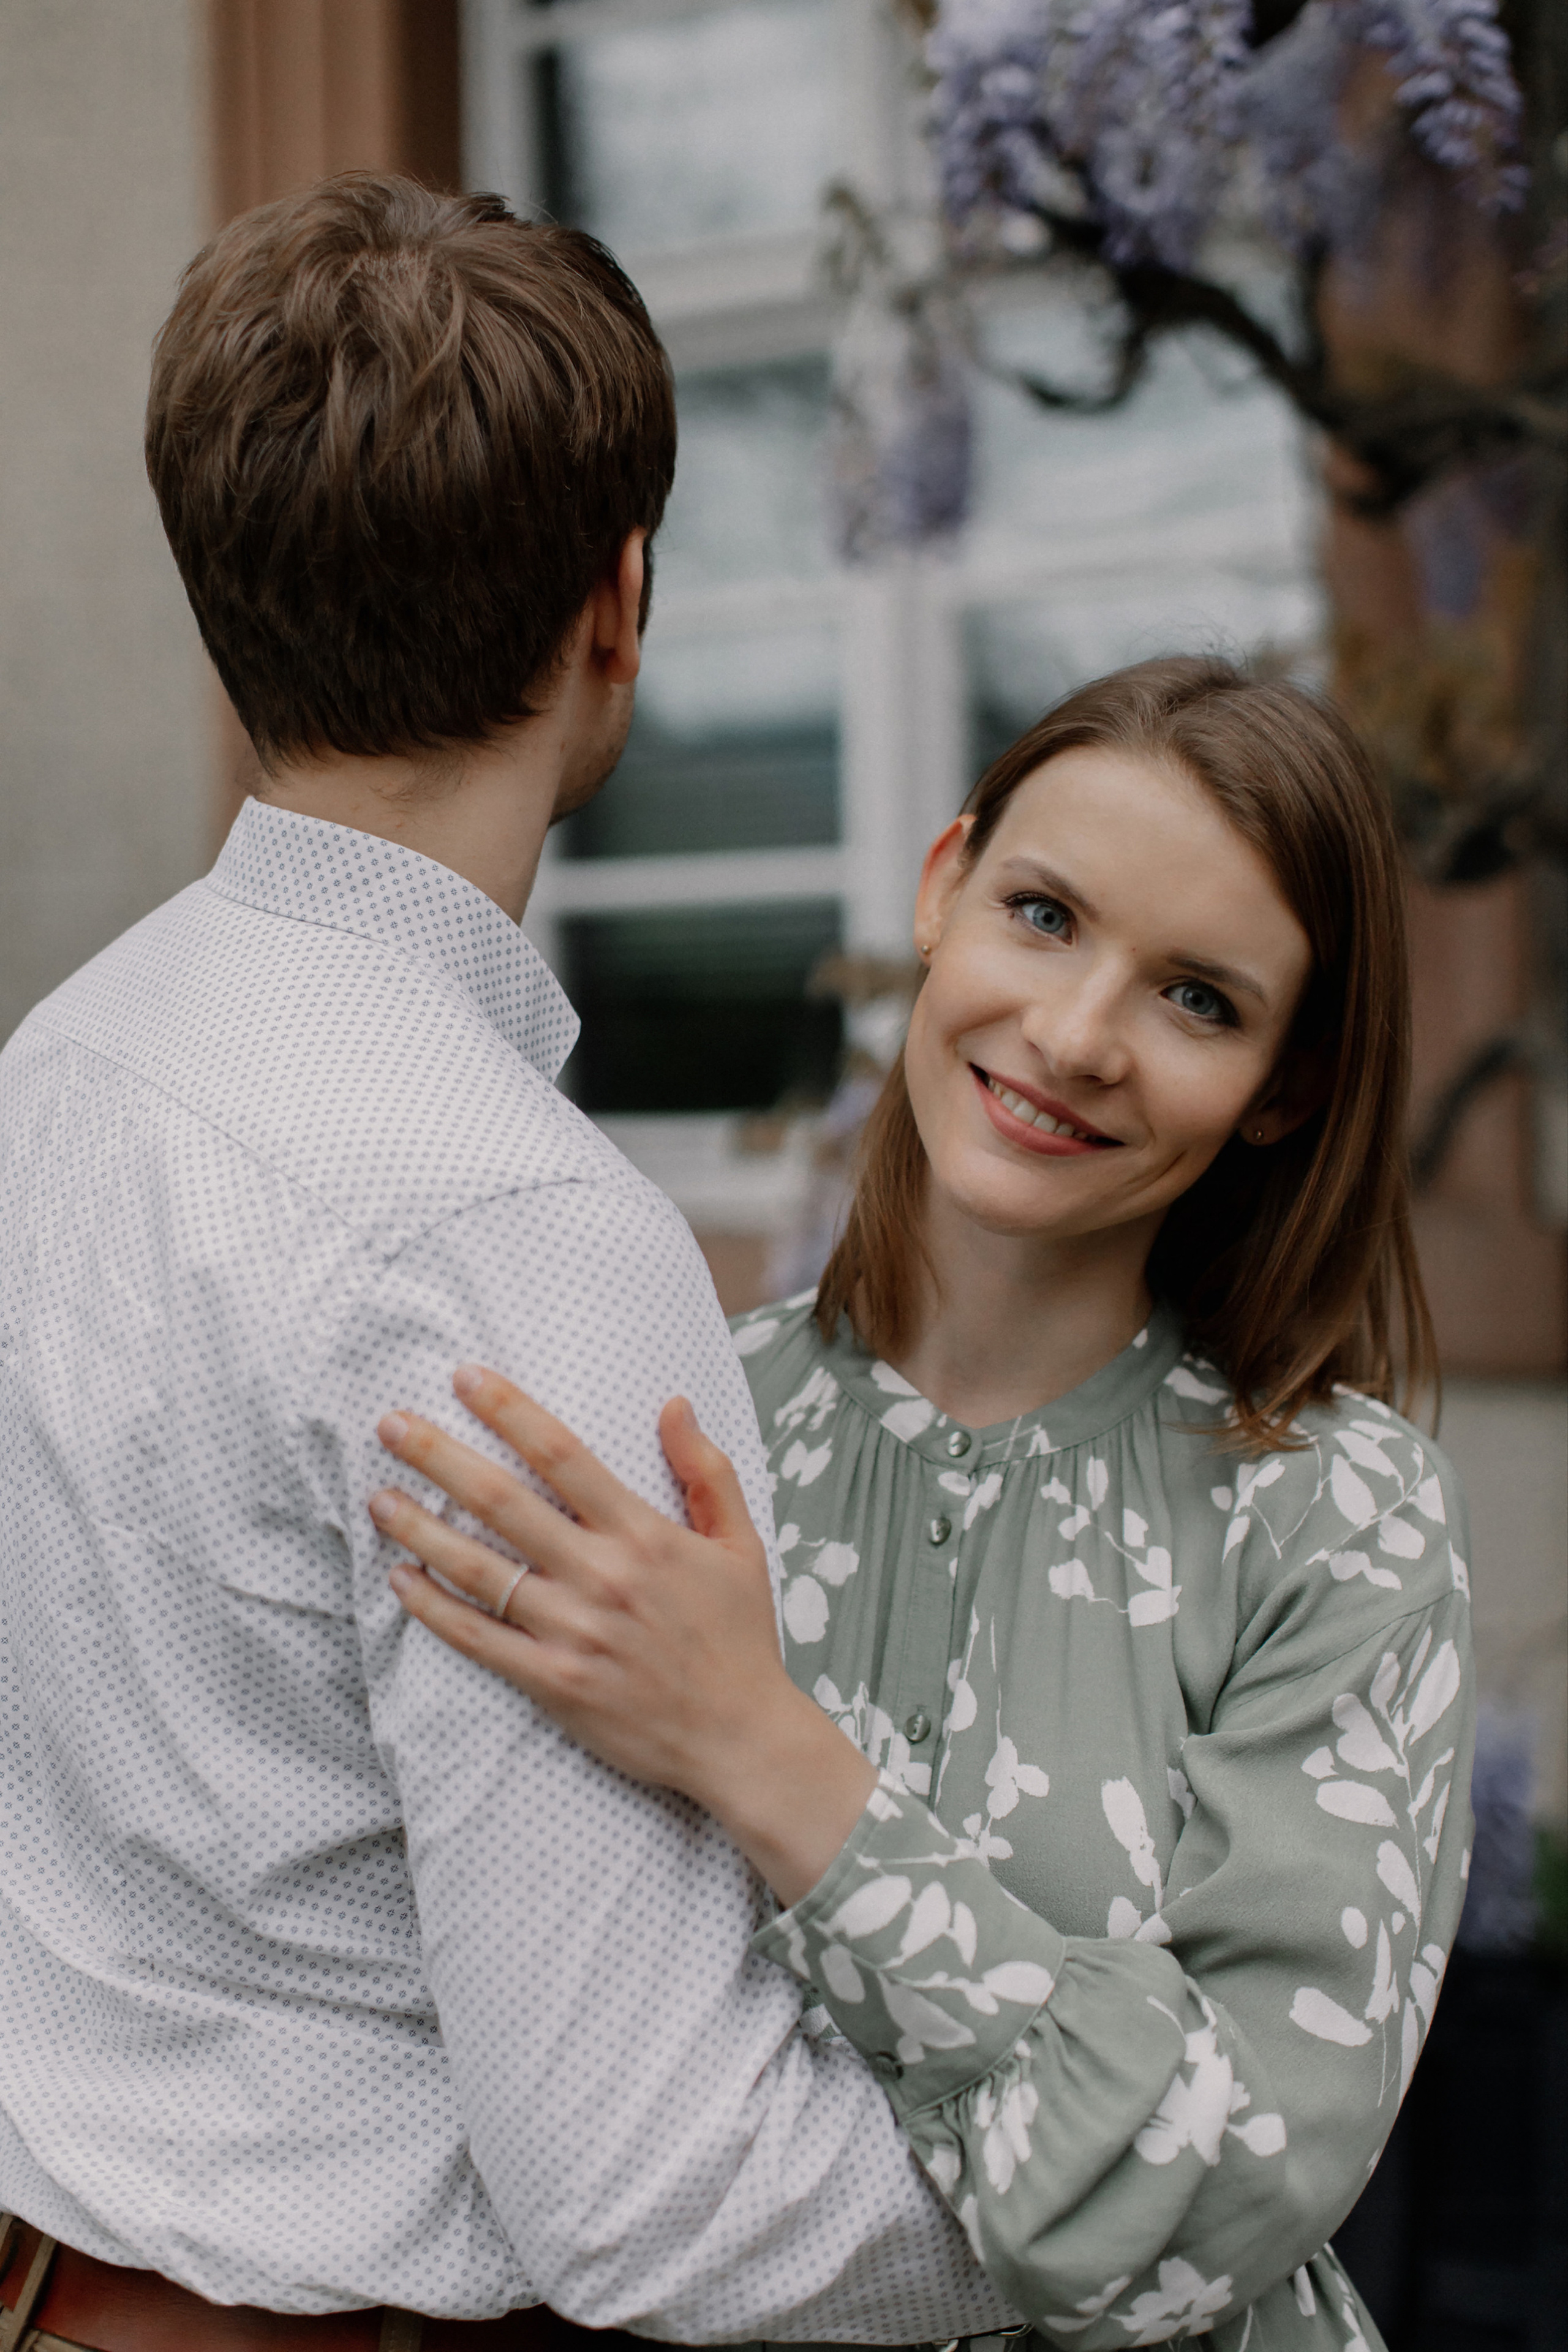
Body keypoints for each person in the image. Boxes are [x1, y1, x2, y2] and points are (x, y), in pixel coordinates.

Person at [0, 175, 1019, 2352]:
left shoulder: (57, 1070)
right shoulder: (519, 1237)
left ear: (227, 610)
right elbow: (658, 2197)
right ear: (617, 607)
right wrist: (1122, 2167)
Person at [371, 658, 1476, 2352]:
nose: (1077, 1036)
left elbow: (1226, 2190)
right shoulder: (676, 1430)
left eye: (1199, 1000)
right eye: (1043, 915)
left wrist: (762, 1747)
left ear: (1288, 1086)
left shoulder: (1337, 1522)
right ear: (944, 888)